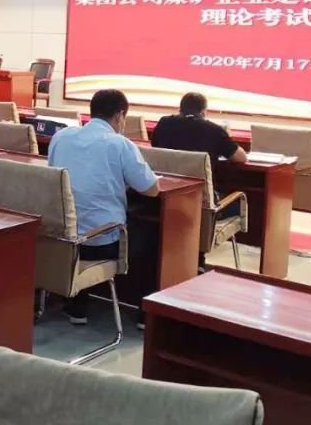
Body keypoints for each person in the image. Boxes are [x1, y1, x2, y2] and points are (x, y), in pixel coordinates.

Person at [47, 89, 159, 326]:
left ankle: (77, 307)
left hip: (63, 240)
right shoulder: (120, 144)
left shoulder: (61, 137)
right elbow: (151, 189)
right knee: (155, 237)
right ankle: (145, 316)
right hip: (102, 244)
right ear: (120, 115)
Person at [151, 92, 247, 165]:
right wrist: (227, 137)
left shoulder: (164, 123)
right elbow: (241, 158)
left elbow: (155, 146)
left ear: (179, 110)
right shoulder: (215, 130)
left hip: (168, 183)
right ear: (203, 113)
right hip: (202, 186)